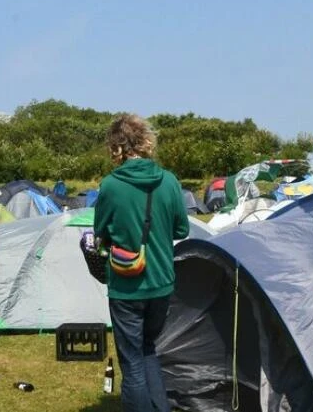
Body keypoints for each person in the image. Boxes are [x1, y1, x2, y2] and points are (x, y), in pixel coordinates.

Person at [94, 114, 189, 412]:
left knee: (132, 361)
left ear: (116, 146)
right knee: (149, 350)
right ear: (146, 141)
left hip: (126, 286)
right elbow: (181, 230)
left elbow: (100, 233)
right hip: (161, 282)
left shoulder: (110, 186)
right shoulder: (170, 181)